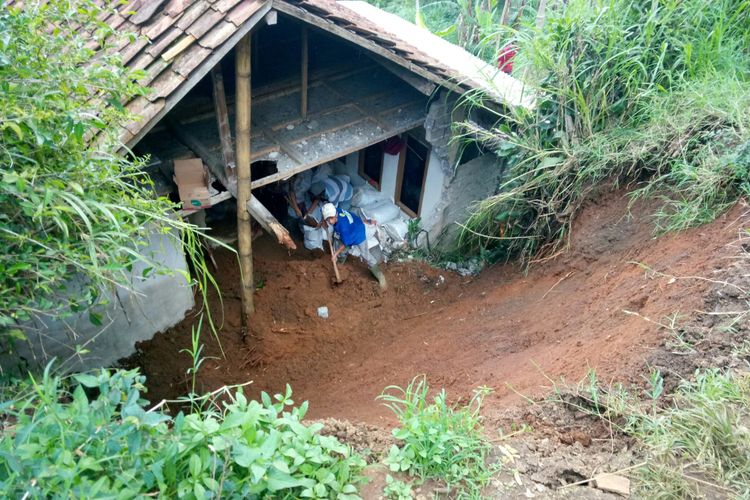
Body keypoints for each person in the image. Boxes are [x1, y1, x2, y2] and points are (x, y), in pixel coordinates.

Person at [322, 202, 387, 290]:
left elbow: (345, 244)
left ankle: (380, 276)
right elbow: (325, 214)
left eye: (331, 219)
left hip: (358, 233)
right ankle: (339, 267)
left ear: (335, 215)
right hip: (352, 226)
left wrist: (335, 254)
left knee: (365, 255)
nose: (329, 221)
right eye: (327, 219)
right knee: (342, 252)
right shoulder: (334, 210)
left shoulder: (343, 227)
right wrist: (323, 222)